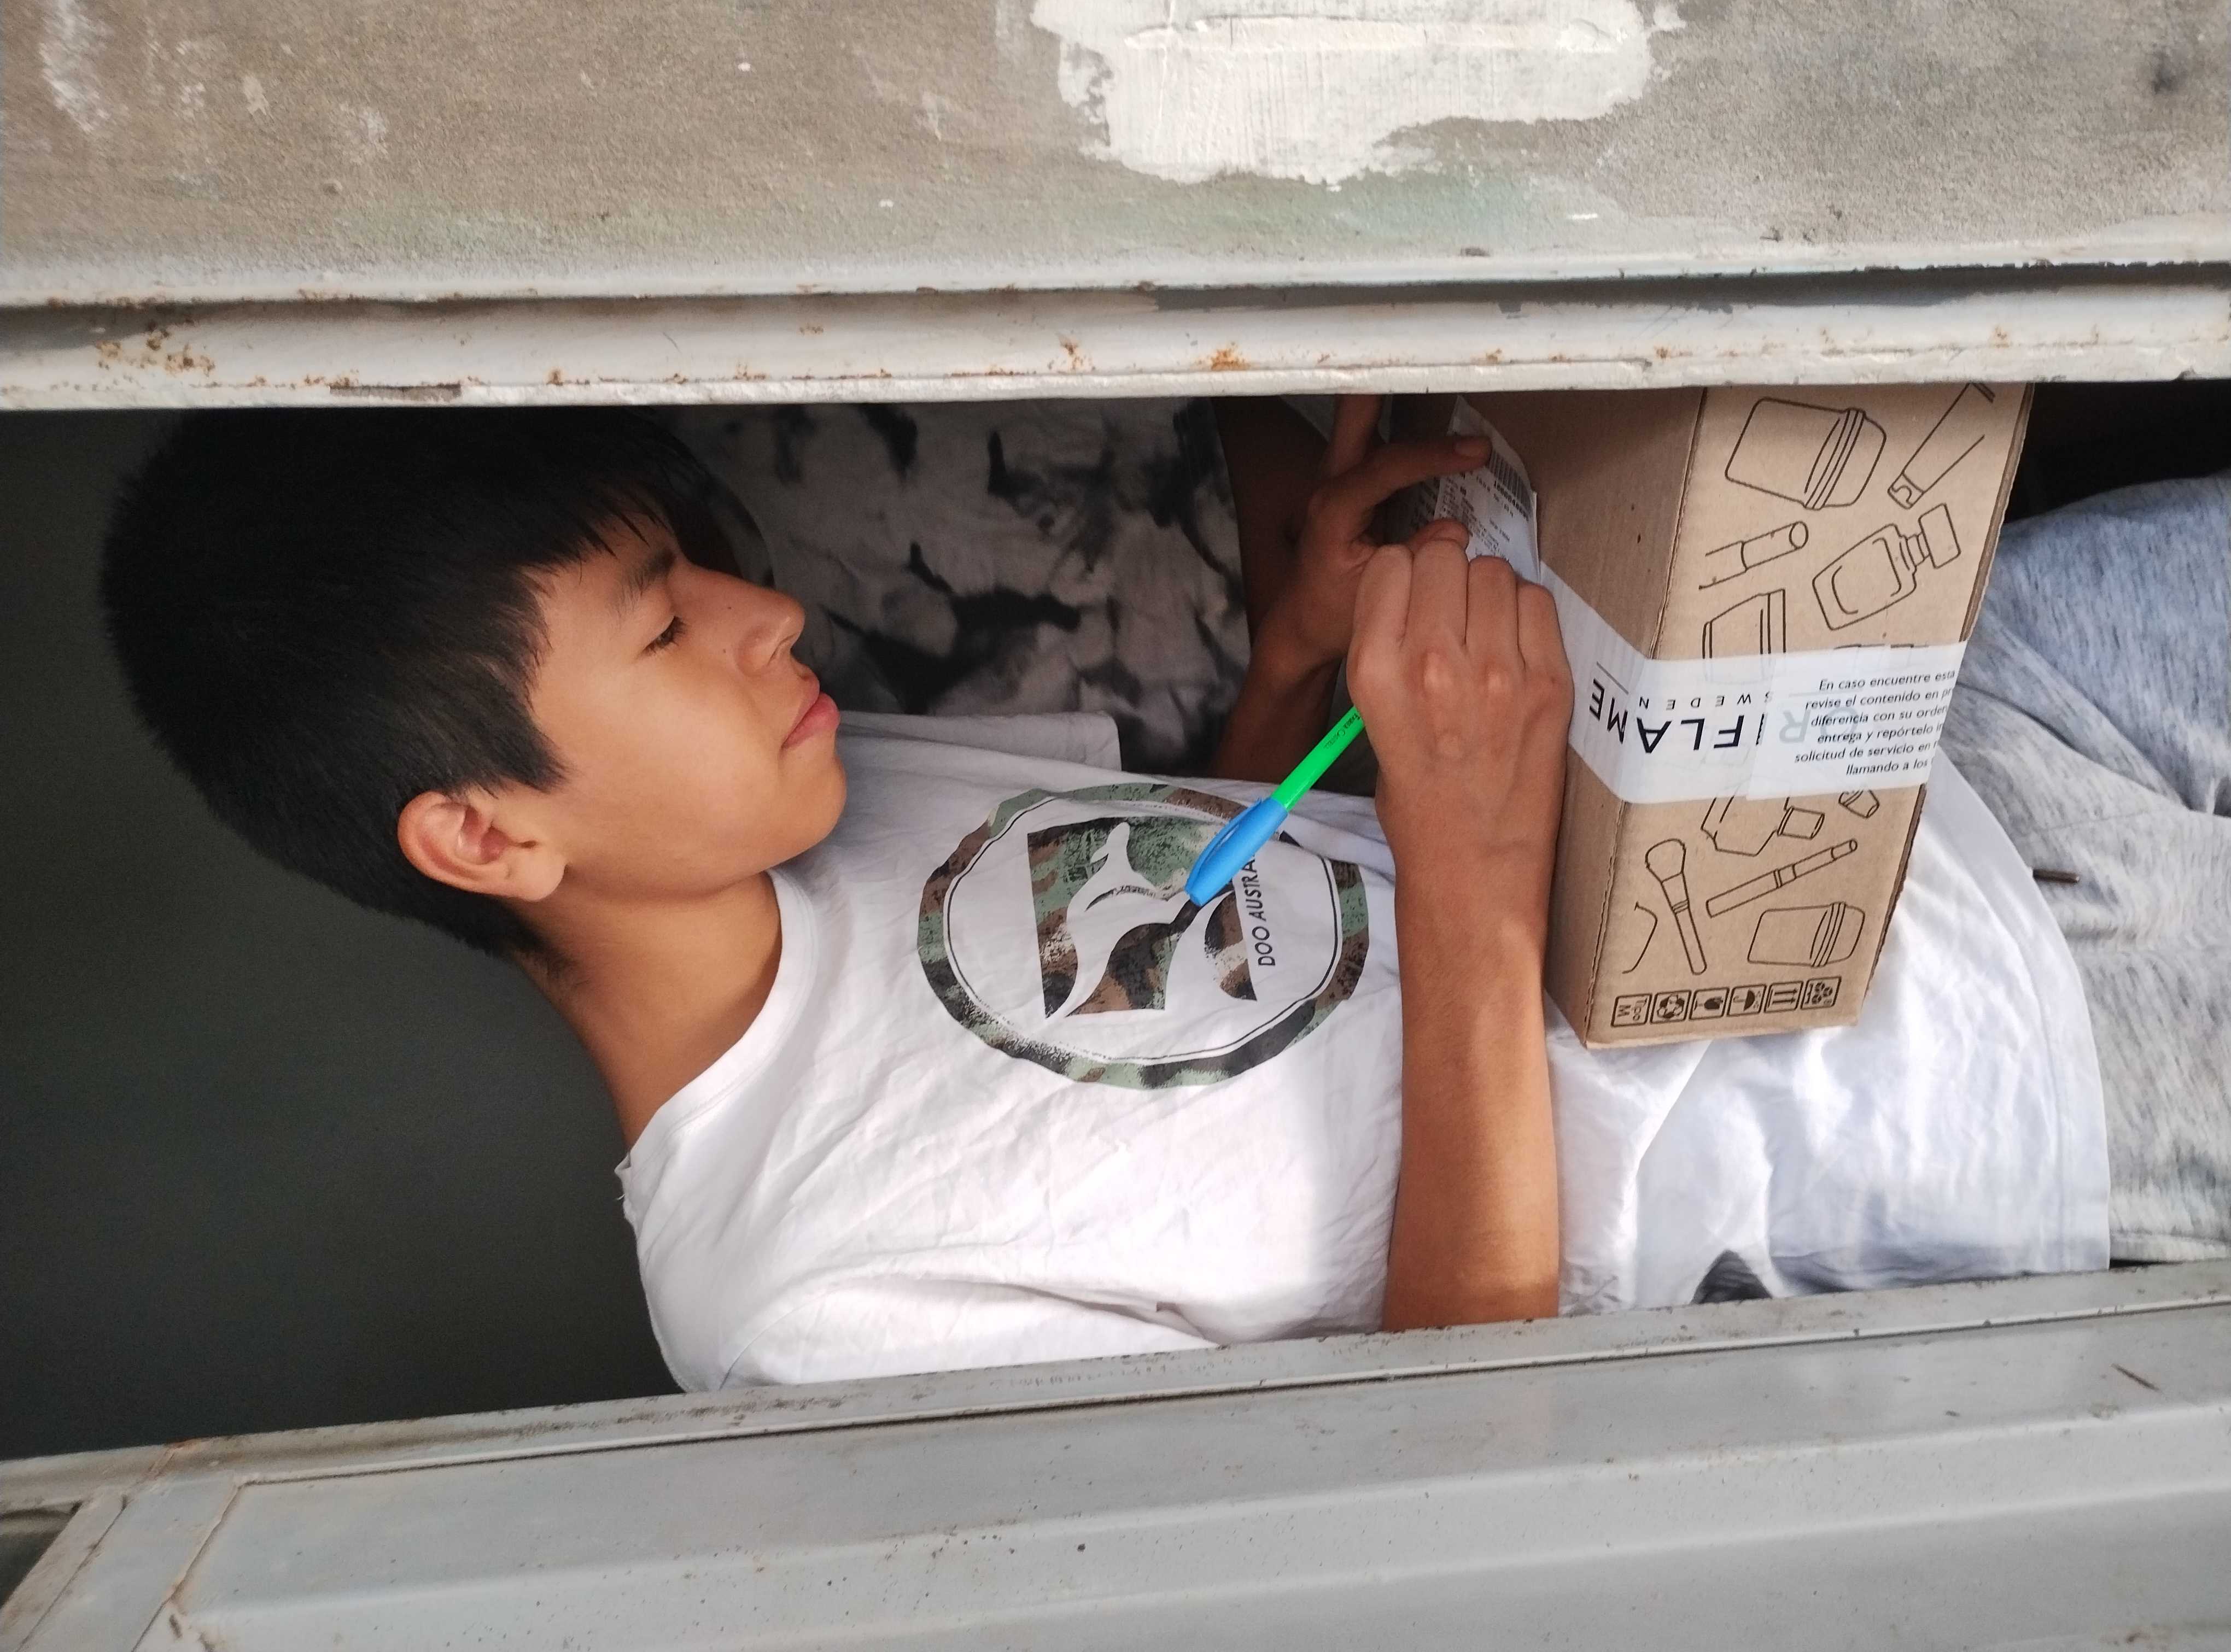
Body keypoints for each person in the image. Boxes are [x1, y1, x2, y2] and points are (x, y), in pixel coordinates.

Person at [100, 395, 2158, 1389]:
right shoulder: (807, 1305)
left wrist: (1294, 662)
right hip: (1985, 1065)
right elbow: (1452, 1468)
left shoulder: (825, 797)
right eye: (663, 624)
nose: (766, 613)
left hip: (1911, 734)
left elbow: (1214, 927)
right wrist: (1471, 870)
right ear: (486, 835)